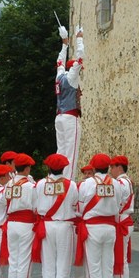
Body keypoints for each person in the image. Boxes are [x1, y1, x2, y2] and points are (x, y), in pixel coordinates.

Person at [75, 153, 121, 278]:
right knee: (107, 267)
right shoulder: (116, 183)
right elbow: (119, 206)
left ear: (93, 168)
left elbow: (79, 208)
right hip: (110, 228)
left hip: (93, 227)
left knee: (94, 267)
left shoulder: (87, 184)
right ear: (108, 167)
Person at [34, 154, 79, 278]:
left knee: (48, 266)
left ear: (48, 167)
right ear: (64, 167)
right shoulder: (71, 185)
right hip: (64, 225)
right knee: (63, 265)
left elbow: (35, 204)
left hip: (46, 225)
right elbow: (75, 203)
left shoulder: (39, 184)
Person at [3, 153, 39, 278]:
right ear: (27, 168)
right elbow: (37, 207)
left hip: (12, 223)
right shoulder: (30, 186)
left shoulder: (9, 184)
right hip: (26, 223)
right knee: (24, 262)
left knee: (14, 262)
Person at [54, 25, 84, 180]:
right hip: (70, 117)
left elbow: (59, 61)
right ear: (73, 68)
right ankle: (68, 183)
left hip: (59, 117)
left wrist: (64, 43)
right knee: (72, 152)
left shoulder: (59, 76)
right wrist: (79, 38)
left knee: (61, 150)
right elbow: (80, 57)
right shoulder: (72, 77)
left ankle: (57, 177)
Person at [109, 155, 134, 278]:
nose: (110, 170)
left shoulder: (121, 183)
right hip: (124, 220)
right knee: (121, 259)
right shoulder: (126, 181)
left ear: (119, 167)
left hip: (121, 221)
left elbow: (117, 203)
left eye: (112, 167)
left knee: (119, 260)